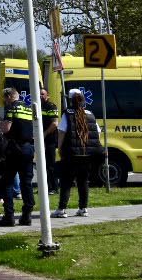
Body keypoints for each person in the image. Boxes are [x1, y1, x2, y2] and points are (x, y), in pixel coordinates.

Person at [54, 88, 100, 218]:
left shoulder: (67, 114)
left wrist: (60, 148)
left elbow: (62, 132)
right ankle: (83, 208)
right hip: (87, 154)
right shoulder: (90, 113)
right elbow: (98, 132)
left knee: (66, 182)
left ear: (70, 100)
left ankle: (62, 209)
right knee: (83, 181)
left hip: (71, 154)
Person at [0, 91, 38, 226]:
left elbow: (6, 128)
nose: (5, 101)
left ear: (9, 97)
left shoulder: (11, 107)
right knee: (26, 182)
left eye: (5, 99)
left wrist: (1, 125)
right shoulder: (28, 108)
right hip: (27, 148)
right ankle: (27, 215)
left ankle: (9, 216)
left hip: (14, 148)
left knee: (7, 182)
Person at [40, 86, 61, 194]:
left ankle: (54, 187)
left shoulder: (51, 106)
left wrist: (44, 134)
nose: (40, 96)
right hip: (41, 139)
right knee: (42, 164)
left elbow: (54, 123)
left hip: (50, 139)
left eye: (43, 94)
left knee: (50, 164)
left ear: (48, 95)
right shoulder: (38, 106)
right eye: (39, 94)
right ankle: (46, 186)